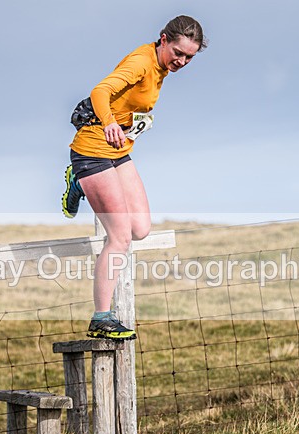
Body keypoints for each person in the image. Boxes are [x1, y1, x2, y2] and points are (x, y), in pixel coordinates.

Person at [61, 16, 207, 339]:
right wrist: (111, 121)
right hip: (93, 149)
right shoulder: (142, 62)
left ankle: (77, 182)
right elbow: (101, 91)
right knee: (120, 237)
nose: (182, 62)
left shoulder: (162, 69)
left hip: (117, 149)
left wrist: (126, 126)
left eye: (189, 58)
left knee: (140, 227)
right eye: (179, 53)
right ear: (163, 39)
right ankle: (101, 317)